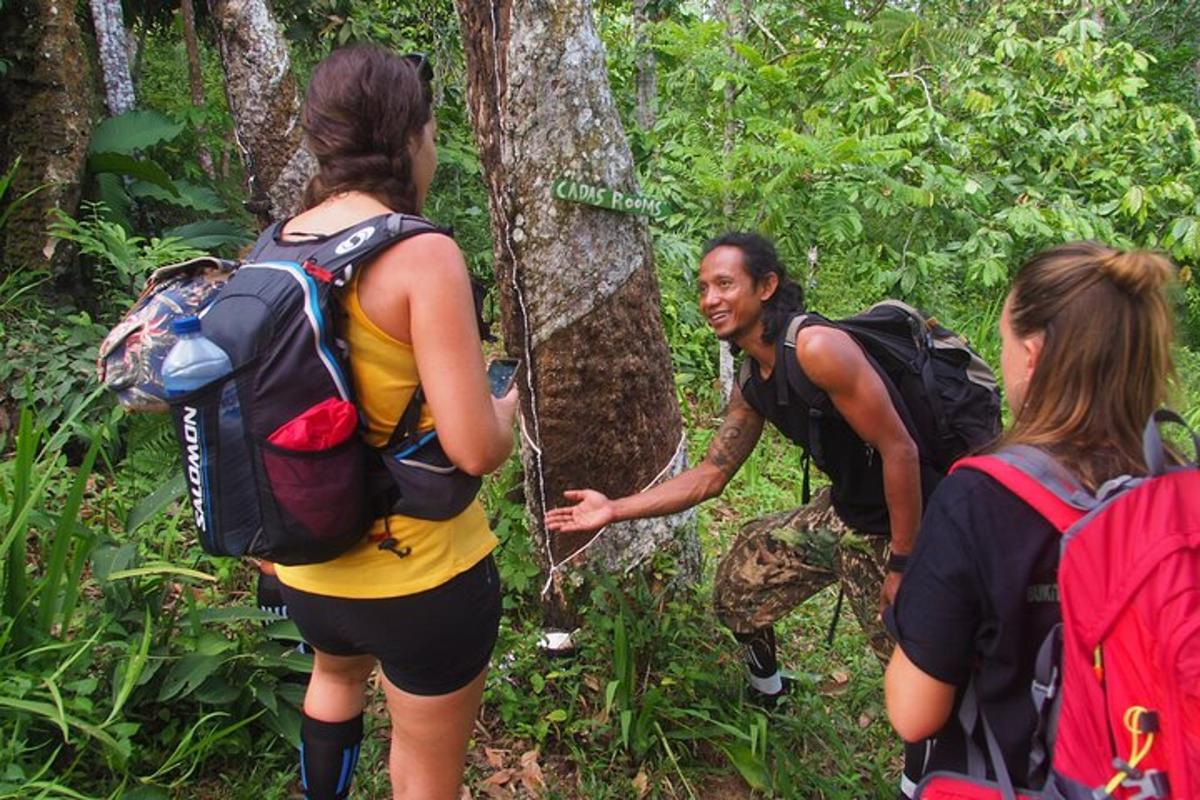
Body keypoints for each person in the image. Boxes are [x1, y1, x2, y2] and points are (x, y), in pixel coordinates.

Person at [545, 231, 942, 794]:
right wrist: (614, 510)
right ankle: (769, 690)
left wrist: (903, 561)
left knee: (910, 663)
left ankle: (929, 773)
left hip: (905, 522)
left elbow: (901, 449)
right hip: (844, 515)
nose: (710, 299)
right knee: (739, 587)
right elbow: (712, 474)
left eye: (725, 284)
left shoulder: (816, 349)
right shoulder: (752, 378)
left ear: (767, 286)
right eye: (703, 287)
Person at [267, 45, 519, 800]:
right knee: (423, 768)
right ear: (410, 136)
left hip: (309, 565)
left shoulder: (276, 245)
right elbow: (474, 447)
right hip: (422, 579)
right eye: (433, 131)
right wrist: (507, 409)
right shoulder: (421, 253)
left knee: (334, 677)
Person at [883, 242, 1176, 790]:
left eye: (1004, 342)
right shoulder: (1180, 490)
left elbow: (913, 711)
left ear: (1033, 354)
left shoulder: (981, 495)